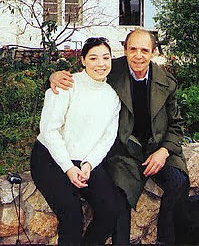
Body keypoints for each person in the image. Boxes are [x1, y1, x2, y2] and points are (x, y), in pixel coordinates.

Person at [49, 28, 190, 245]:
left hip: (157, 149)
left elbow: (177, 124)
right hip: (124, 151)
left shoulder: (167, 82)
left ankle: (165, 240)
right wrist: (53, 76)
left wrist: (163, 151)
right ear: (124, 50)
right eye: (132, 49)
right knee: (120, 196)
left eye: (145, 50)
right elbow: (80, 77)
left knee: (179, 182)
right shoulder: (110, 72)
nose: (138, 55)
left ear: (153, 52)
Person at [30, 37, 121, 246]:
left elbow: (107, 137)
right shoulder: (66, 84)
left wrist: (88, 164)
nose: (101, 64)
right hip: (50, 159)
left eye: (106, 58)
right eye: (94, 58)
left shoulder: (112, 97)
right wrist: (69, 169)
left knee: (110, 211)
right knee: (72, 216)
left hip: (85, 162)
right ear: (83, 60)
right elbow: (49, 130)